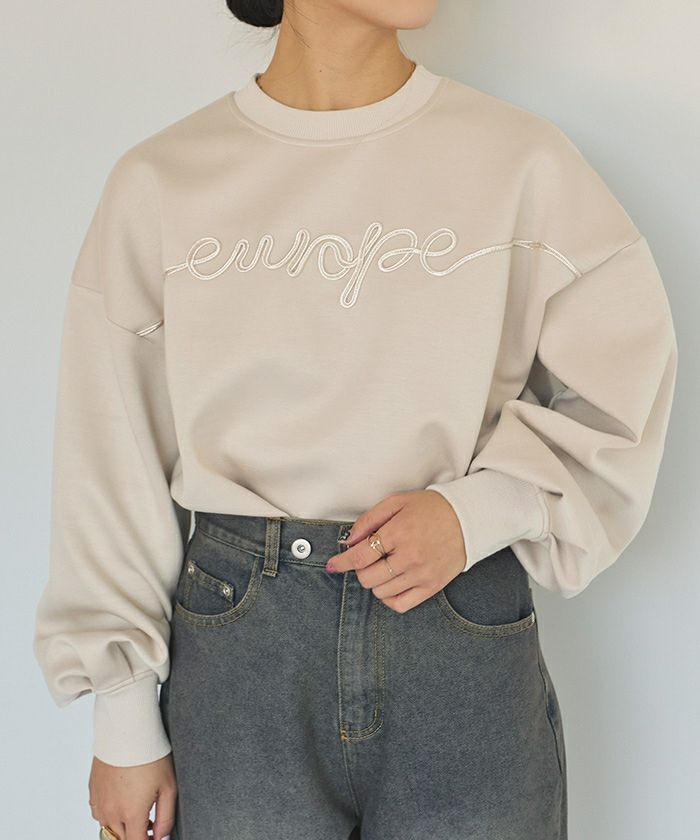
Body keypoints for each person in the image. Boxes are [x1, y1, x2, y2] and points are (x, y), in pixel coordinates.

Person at [32, 1, 678, 839]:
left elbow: (622, 383)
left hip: (459, 629)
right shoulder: (163, 181)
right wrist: (122, 715)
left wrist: (479, 511)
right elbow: (109, 449)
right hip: (241, 658)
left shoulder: (522, 162)